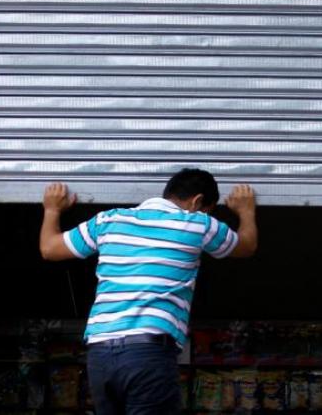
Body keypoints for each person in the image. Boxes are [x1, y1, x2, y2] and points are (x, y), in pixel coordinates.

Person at [40, 168, 258, 415]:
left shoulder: (108, 221)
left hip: (99, 356)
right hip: (147, 355)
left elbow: (49, 248)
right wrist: (246, 212)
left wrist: (51, 210)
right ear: (197, 202)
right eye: (208, 209)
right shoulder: (198, 224)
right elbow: (247, 245)